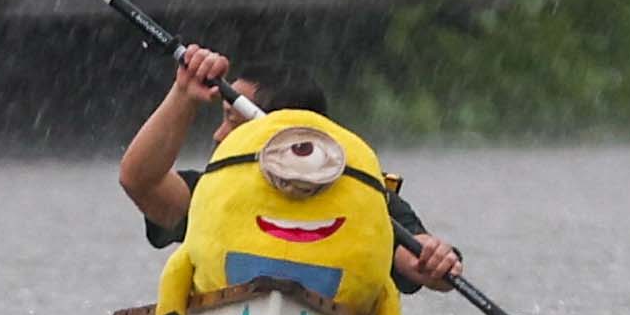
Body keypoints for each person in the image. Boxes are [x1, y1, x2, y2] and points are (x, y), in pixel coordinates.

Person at [118, 45, 462, 293]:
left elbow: (415, 259)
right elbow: (140, 181)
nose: (218, 135)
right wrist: (184, 95)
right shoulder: (215, 192)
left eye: (231, 121)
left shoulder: (365, 196)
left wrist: (435, 259)